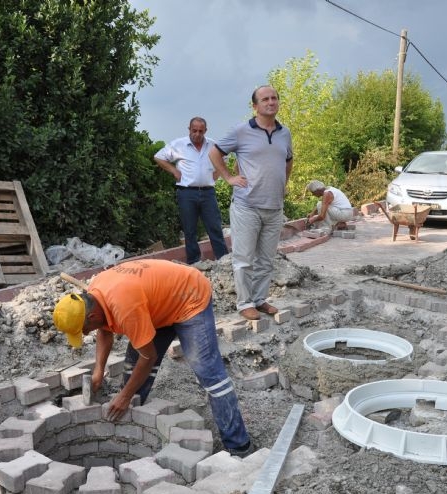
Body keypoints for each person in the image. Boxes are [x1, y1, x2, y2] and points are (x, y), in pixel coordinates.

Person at [52, 259, 254, 457]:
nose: (85, 334)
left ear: (91, 317)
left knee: (208, 372)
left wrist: (124, 396)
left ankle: (238, 445)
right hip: (158, 304)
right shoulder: (93, 296)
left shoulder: (125, 308)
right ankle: (132, 423)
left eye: (83, 330)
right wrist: (98, 372)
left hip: (189, 296)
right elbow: (104, 331)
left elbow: (149, 357)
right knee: (132, 372)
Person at [208, 85, 293, 321]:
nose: (271, 102)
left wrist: (283, 185)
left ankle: (259, 300)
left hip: (274, 207)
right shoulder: (240, 131)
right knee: (244, 259)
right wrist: (228, 177)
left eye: (274, 98)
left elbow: (288, 160)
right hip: (247, 206)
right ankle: (244, 303)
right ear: (255, 106)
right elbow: (215, 152)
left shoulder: (284, 133)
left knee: (266, 260)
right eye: (265, 99)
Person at [154, 117, 229, 264]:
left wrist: (217, 174)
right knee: (190, 230)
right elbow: (158, 157)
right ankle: (195, 263)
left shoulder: (213, 145)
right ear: (189, 129)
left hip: (208, 192)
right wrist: (174, 171)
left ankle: (223, 259)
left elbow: (224, 159)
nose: (197, 134)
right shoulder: (178, 145)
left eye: (201, 131)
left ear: (205, 131)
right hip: (187, 193)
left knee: (215, 227)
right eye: (194, 130)